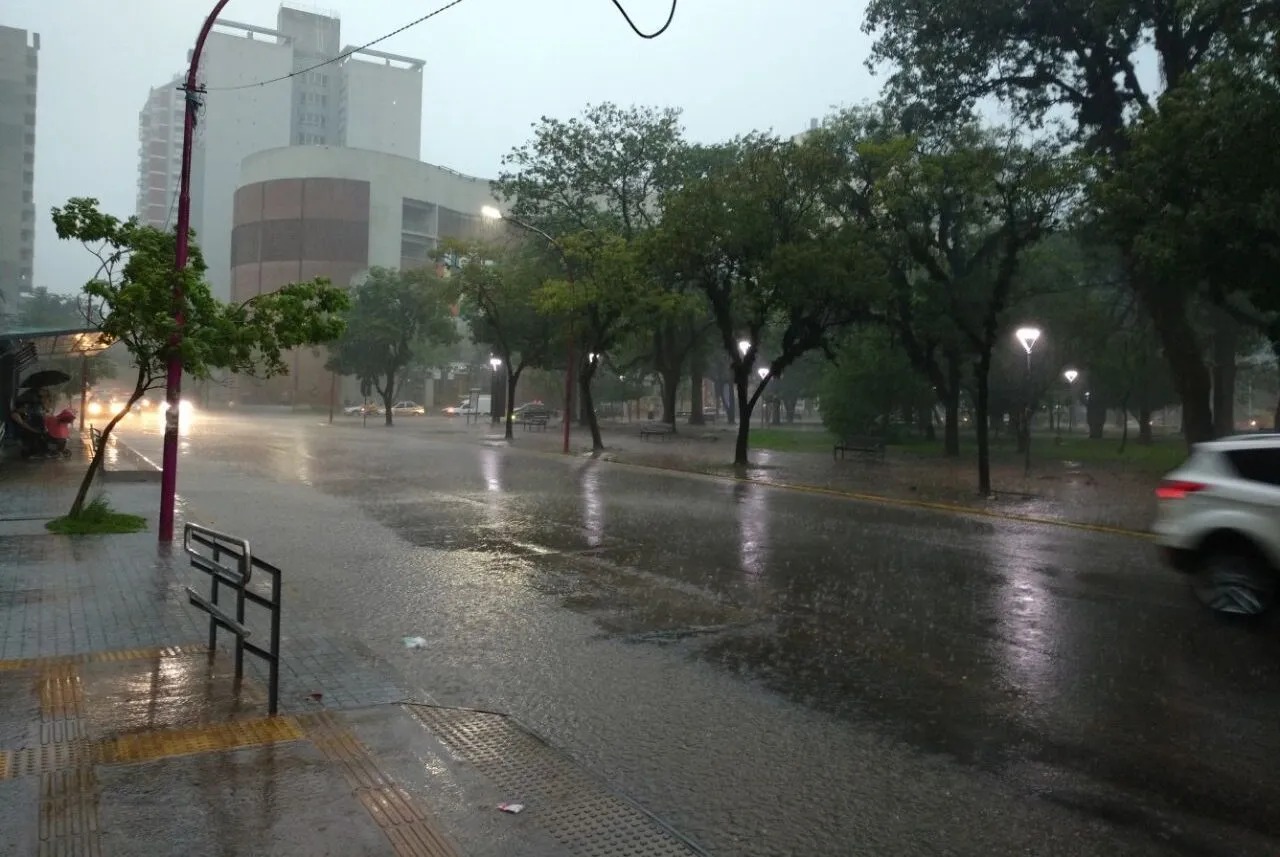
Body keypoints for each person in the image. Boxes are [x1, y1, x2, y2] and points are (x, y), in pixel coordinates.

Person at [9, 393, 48, 458]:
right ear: (20, 407)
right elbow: (24, 425)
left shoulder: (22, 413)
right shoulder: (15, 414)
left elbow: (27, 422)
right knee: (36, 434)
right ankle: (35, 451)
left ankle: (41, 450)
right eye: (25, 407)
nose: (26, 409)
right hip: (19, 432)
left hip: (25, 430)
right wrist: (34, 430)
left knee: (40, 431)